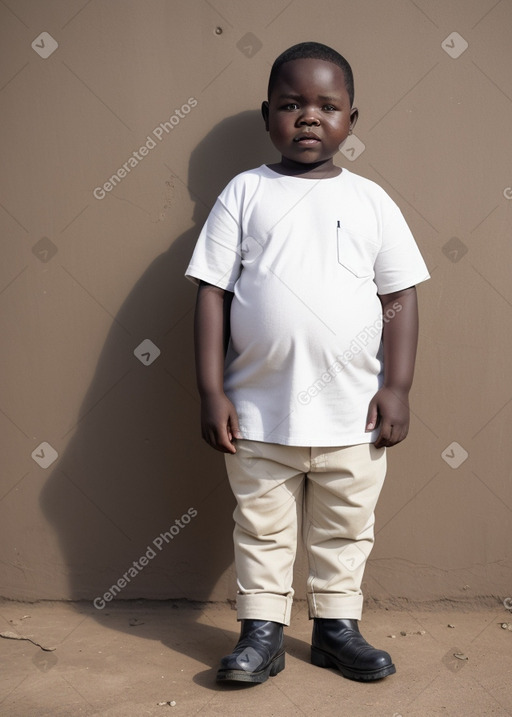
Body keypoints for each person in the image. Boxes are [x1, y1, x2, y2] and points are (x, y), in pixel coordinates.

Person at [185, 41, 429, 684]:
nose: (309, 117)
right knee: (261, 528)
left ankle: (335, 629)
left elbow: (399, 294)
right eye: (292, 105)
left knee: (346, 527)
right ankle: (261, 633)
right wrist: (212, 390)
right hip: (259, 410)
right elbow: (213, 292)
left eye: (328, 105)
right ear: (269, 114)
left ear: (353, 118)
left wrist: (397, 386)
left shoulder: (372, 200)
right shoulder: (245, 192)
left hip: (354, 413)